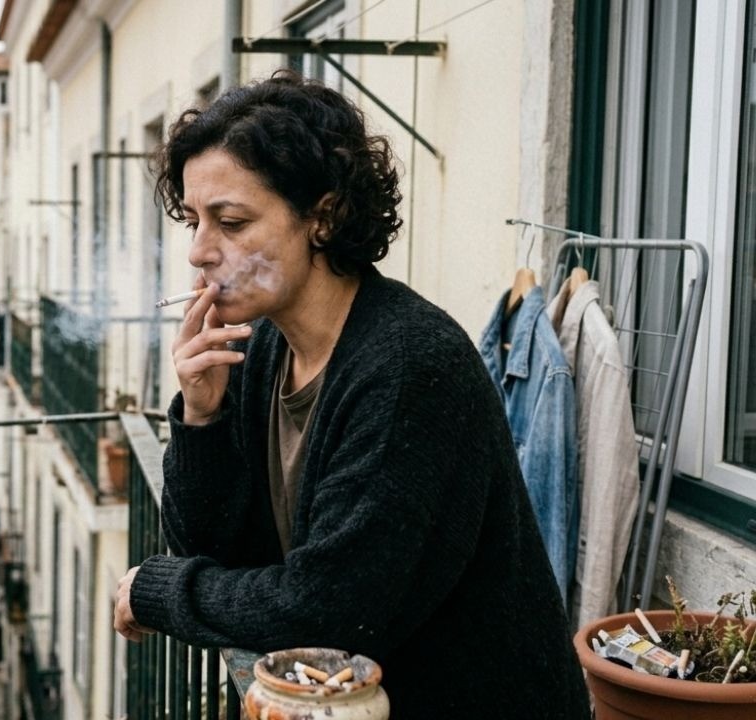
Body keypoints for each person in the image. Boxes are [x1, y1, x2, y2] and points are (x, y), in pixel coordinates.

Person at [111, 70, 589, 718]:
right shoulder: (262, 348)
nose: (198, 251)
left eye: (230, 221)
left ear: (324, 216)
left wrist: (160, 594)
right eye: (194, 220)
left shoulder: (409, 370)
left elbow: (328, 614)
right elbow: (218, 554)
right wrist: (202, 414)